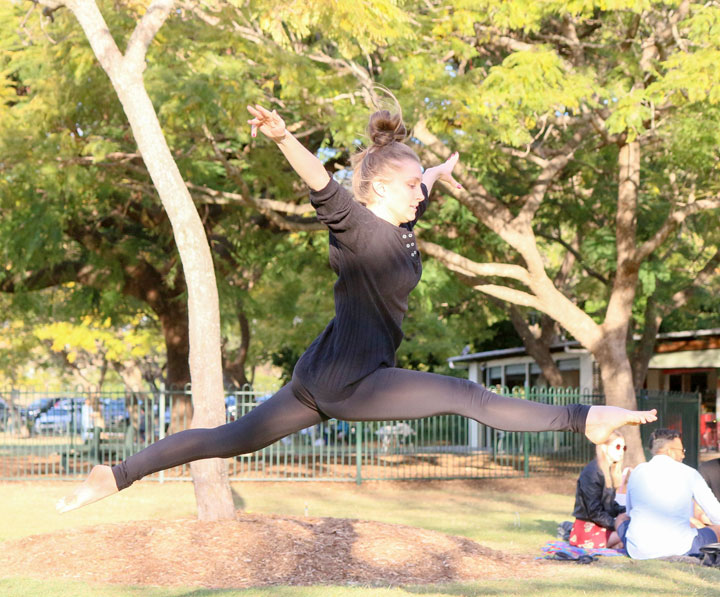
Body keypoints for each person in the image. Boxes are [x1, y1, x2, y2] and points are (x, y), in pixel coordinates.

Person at [56, 103, 657, 513]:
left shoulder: (401, 221)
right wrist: (286, 138)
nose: (422, 192)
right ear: (379, 190)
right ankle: (585, 419)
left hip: (321, 376)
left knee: (226, 438)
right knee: (468, 396)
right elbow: (321, 184)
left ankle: (113, 475)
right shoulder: (358, 227)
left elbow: (428, 184)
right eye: (413, 184)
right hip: (354, 380)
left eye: (423, 183)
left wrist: (439, 172)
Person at [620, 429, 720, 559]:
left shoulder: (637, 471)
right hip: (682, 548)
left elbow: (629, 513)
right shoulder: (689, 473)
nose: (683, 456)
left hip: (638, 550)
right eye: (682, 451)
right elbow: (717, 515)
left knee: (621, 519)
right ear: (670, 451)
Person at [569, 431, 629, 550]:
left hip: (601, 525)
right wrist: (616, 524)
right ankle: (614, 542)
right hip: (587, 528)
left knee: (628, 533)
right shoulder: (593, 472)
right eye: (617, 447)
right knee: (629, 534)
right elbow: (594, 511)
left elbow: (608, 504)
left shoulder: (609, 470)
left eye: (624, 447)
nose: (621, 451)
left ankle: (615, 543)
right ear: (604, 447)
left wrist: (625, 511)